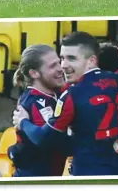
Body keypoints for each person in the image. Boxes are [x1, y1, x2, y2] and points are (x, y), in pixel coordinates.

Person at [13, 32, 118, 177]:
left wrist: (22, 122)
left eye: (71, 59)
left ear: (92, 60)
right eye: (62, 59)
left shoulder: (71, 94)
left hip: (87, 172)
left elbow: (45, 139)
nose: (63, 66)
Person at [8, 45, 71, 177]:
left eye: (59, 62)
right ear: (34, 73)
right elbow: (50, 140)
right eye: (52, 66)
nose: (60, 68)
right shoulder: (33, 101)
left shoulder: (56, 92)